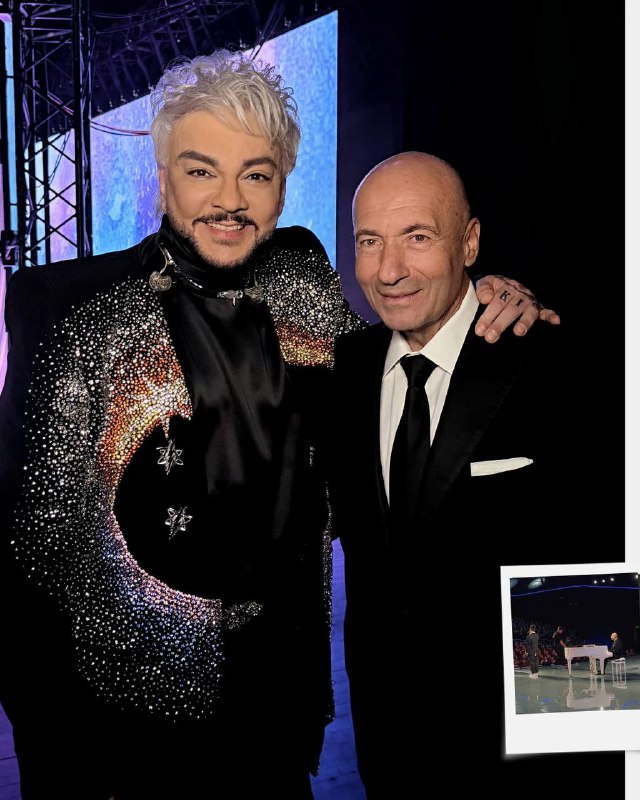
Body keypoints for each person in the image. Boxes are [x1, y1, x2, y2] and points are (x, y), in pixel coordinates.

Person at [0, 53, 554, 799]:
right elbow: (25, 567)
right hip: (124, 751)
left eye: (255, 174)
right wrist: (61, 764)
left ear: (281, 186)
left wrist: (478, 295)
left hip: (279, 731)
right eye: (201, 171)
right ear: (163, 178)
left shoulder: (300, 275)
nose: (229, 200)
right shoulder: (67, 310)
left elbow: (394, 355)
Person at [330, 152, 575, 797]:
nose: (389, 270)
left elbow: (596, 574)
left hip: (513, 756)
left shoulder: (549, 365)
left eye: (417, 237)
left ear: (469, 242)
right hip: (386, 741)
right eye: (369, 241)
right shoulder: (342, 372)